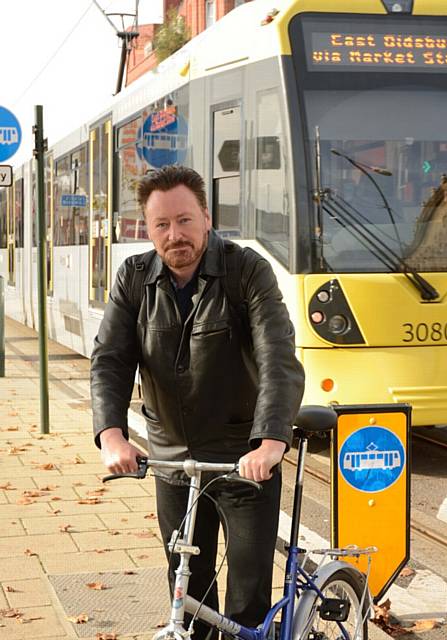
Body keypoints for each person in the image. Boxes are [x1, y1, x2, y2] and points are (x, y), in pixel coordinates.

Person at [91, 165, 305, 639]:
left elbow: (277, 356)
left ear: (206, 217)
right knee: (187, 594)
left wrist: (270, 442)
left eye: (185, 220)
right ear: (147, 230)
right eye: (161, 225)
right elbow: (110, 359)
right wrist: (112, 436)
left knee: (246, 601)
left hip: (242, 459)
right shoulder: (134, 277)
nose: (175, 235)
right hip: (172, 460)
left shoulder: (246, 270)